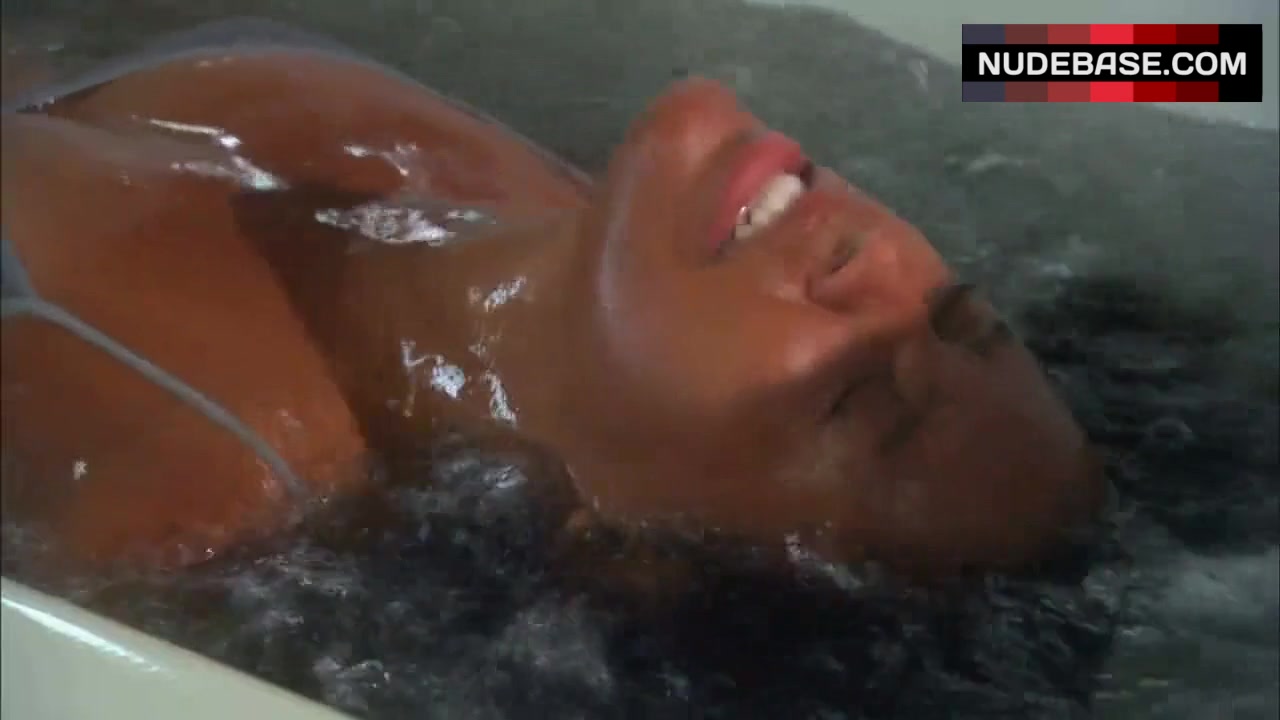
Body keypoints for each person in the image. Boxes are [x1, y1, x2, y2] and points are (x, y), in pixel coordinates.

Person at [0, 21, 1107, 580]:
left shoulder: (190, 482)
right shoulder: (589, 219)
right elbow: (1188, 59)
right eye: (955, 313)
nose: (874, 268)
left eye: (857, 398)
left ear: (629, 542)